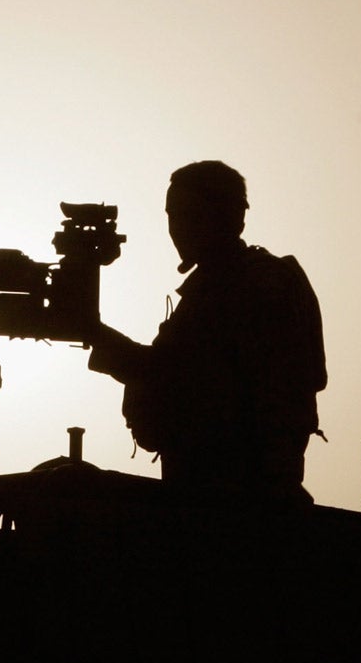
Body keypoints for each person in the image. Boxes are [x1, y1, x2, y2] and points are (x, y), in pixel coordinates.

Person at [84, 160, 326, 504]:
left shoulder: (252, 286)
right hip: (210, 489)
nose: (178, 228)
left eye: (190, 215)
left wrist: (94, 335)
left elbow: (181, 376)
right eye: (172, 215)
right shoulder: (226, 284)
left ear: (229, 216)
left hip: (234, 499)